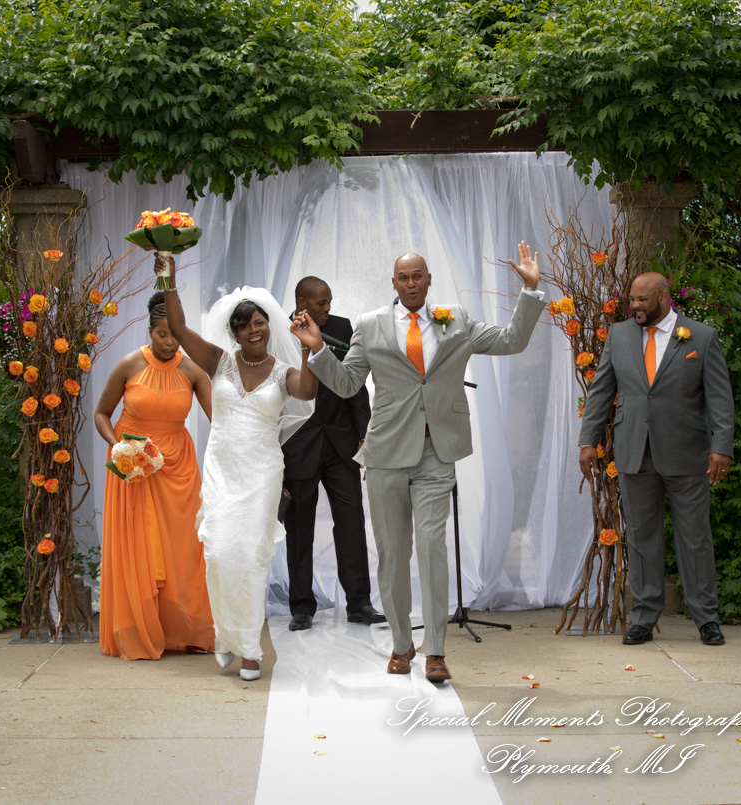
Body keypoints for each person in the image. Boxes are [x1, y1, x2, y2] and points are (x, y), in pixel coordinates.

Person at [291, 245, 545, 683]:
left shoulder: (456, 319)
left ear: (429, 280)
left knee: (431, 548)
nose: (410, 284)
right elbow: (349, 384)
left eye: (417, 276)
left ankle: (437, 652)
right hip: (387, 451)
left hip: (436, 451)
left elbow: (511, 341)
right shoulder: (371, 326)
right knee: (392, 555)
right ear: (394, 283)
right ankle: (402, 644)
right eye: (403, 277)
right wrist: (317, 350)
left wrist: (530, 289)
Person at [158, 255, 318, 681]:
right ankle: (224, 636)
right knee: (219, 554)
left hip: (263, 473)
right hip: (222, 471)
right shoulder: (218, 361)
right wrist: (168, 280)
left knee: (249, 557)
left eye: (260, 323)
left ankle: (249, 649)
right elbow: (177, 328)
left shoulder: (284, 373)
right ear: (234, 332)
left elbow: (308, 388)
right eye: (245, 325)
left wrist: (307, 347)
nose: (254, 330)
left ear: (270, 326)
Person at [578, 272, 735, 646]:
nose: (634, 306)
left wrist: (721, 446)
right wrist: (588, 441)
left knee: (695, 538)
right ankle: (643, 618)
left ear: (664, 298)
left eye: (642, 300)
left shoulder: (701, 336)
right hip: (634, 451)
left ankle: (706, 619)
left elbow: (719, 398)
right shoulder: (618, 336)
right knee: (642, 538)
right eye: (632, 299)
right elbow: (601, 392)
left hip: (686, 451)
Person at [95, 291, 216, 661]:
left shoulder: (193, 371)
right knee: (141, 551)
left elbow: (221, 423)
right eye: (162, 334)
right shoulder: (129, 365)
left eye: (175, 334)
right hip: (134, 469)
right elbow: (102, 413)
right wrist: (119, 448)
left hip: (179, 471)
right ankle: (140, 629)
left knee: (182, 550)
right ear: (150, 332)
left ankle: (185, 630)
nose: (170, 342)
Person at [281, 277, 384, 631]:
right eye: (320, 303)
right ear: (301, 302)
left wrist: (364, 435)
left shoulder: (342, 328)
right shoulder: (280, 333)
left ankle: (359, 603)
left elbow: (356, 387)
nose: (327, 309)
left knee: (352, 521)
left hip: (342, 444)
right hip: (299, 446)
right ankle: (301, 607)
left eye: (329, 302)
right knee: (300, 529)